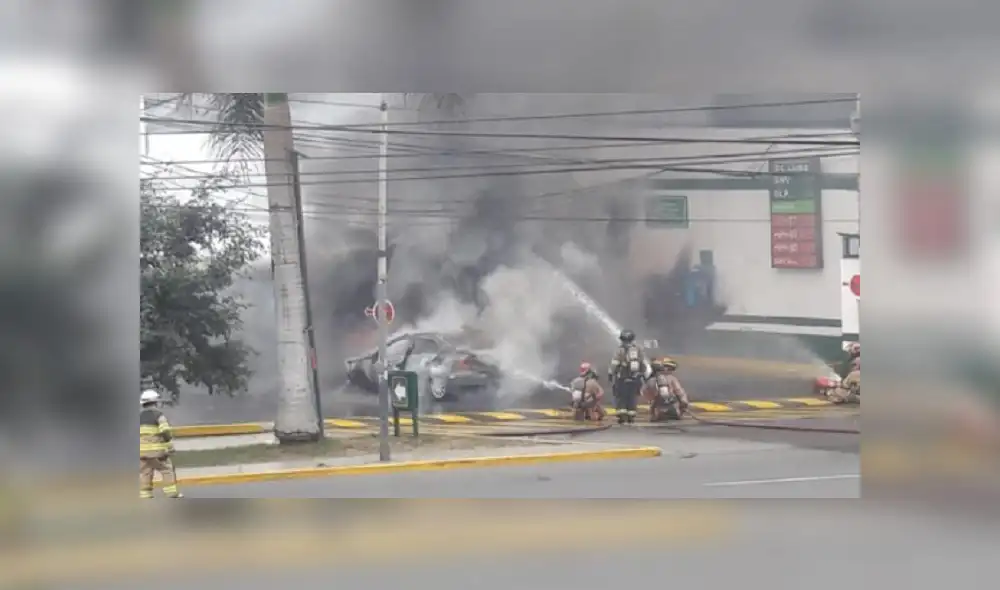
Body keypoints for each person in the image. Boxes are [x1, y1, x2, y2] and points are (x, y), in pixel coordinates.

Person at [139, 389, 183, 499]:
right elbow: (165, 431)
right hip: (157, 451)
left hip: (142, 452)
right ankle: (171, 493)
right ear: (155, 402)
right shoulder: (158, 415)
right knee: (167, 470)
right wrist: (169, 444)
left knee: (145, 472)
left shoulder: (139, 417)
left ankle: (145, 495)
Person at [608, 329, 649, 425]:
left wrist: (611, 374)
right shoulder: (638, 349)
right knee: (632, 397)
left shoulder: (620, 350)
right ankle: (631, 417)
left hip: (622, 378)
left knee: (621, 397)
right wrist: (644, 376)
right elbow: (643, 364)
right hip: (635, 379)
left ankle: (622, 417)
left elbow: (614, 363)